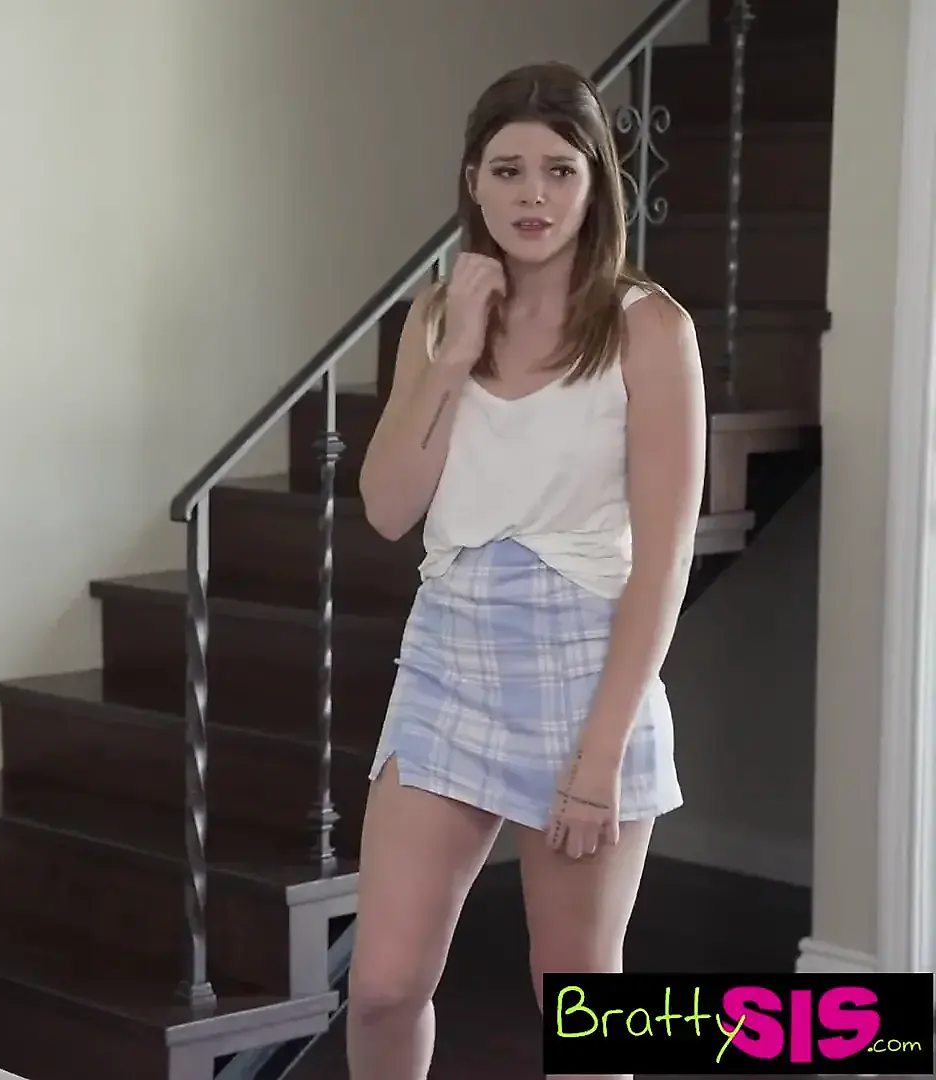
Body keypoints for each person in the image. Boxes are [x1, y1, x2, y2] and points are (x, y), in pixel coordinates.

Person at [348, 62, 701, 1080]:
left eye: (559, 170)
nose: (532, 195)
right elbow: (387, 508)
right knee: (382, 988)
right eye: (507, 170)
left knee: (580, 1000)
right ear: (473, 181)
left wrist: (599, 759)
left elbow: (664, 562)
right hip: (450, 659)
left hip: (587, 671)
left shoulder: (648, 326)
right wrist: (454, 352)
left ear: (596, 184)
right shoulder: (435, 317)